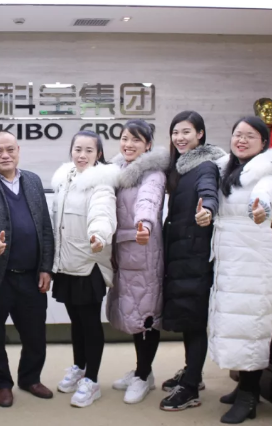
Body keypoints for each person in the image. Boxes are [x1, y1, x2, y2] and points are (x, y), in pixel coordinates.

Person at [0, 130, 55, 408]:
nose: (5, 155)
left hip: (31, 275)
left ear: (18, 151)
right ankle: (2, 384)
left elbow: (45, 227)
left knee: (35, 334)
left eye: (10, 149)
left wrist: (46, 267)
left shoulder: (33, 180)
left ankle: (30, 378)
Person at [209, 116, 272, 424]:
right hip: (230, 257)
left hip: (252, 259)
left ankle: (248, 396)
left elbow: (266, 193)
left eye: (249, 136)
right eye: (237, 134)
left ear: (264, 142)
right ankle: (245, 386)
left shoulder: (269, 168)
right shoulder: (227, 168)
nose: (241, 140)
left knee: (251, 325)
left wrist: (261, 207)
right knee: (237, 324)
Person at [160, 110, 225, 412]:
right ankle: (192, 374)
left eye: (186, 132)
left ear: (200, 134)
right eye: (175, 132)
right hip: (182, 253)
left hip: (195, 256)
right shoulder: (181, 167)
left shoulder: (205, 166)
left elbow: (208, 192)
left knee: (195, 320)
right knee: (188, 318)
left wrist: (207, 209)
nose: (180, 138)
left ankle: (190, 388)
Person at [51, 131, 119, 408]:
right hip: (66, 263)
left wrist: (99, 235)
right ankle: (79, 367)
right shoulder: (64, 180)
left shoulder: (100, 183)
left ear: (98, 154)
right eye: (77, 149)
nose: (82, 155)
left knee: (90, 324)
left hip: (89, 264)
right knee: (76, 322)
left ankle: (92, 380)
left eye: (89, 150)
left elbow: (103, 215)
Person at [107, 120, 168, 404]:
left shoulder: (152, 173)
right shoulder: (117, 170)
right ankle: (142, 370)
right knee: (134, 315)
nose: (128, 144)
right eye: (124, 138)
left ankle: (143, 376)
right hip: (124, 253)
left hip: (144, 252)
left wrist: (144, 222)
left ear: (148, 145)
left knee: (146, 317)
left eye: (136, 140)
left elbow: (149, 200)